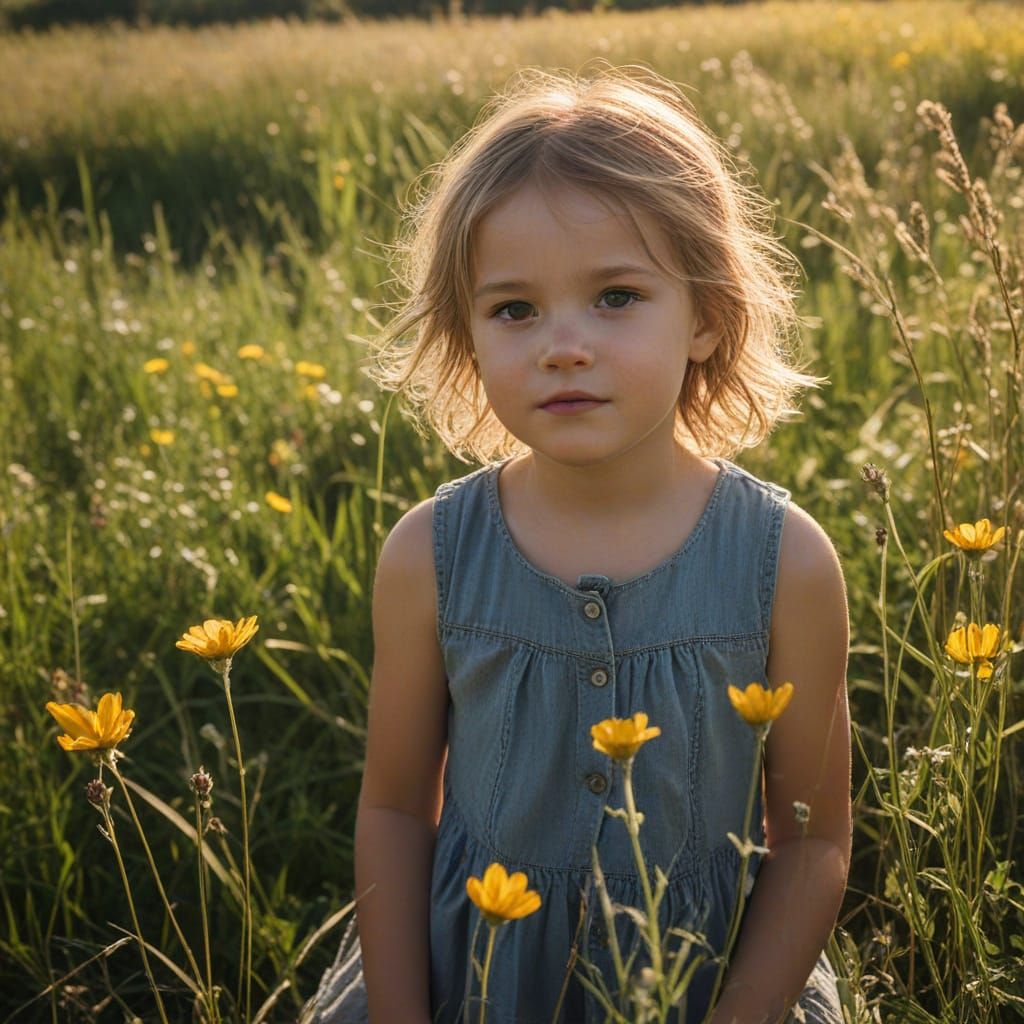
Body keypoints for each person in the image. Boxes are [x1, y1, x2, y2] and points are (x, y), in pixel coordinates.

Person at [308, 64, 851, 1024]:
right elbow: (395, 808)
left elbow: (813, 841)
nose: (564, 344)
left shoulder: (785, 564)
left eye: (615, 296)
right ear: (466, 336)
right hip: (470, 977)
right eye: (514, 309)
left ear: (707, 317)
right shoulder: (431, 554)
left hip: (712, 986)